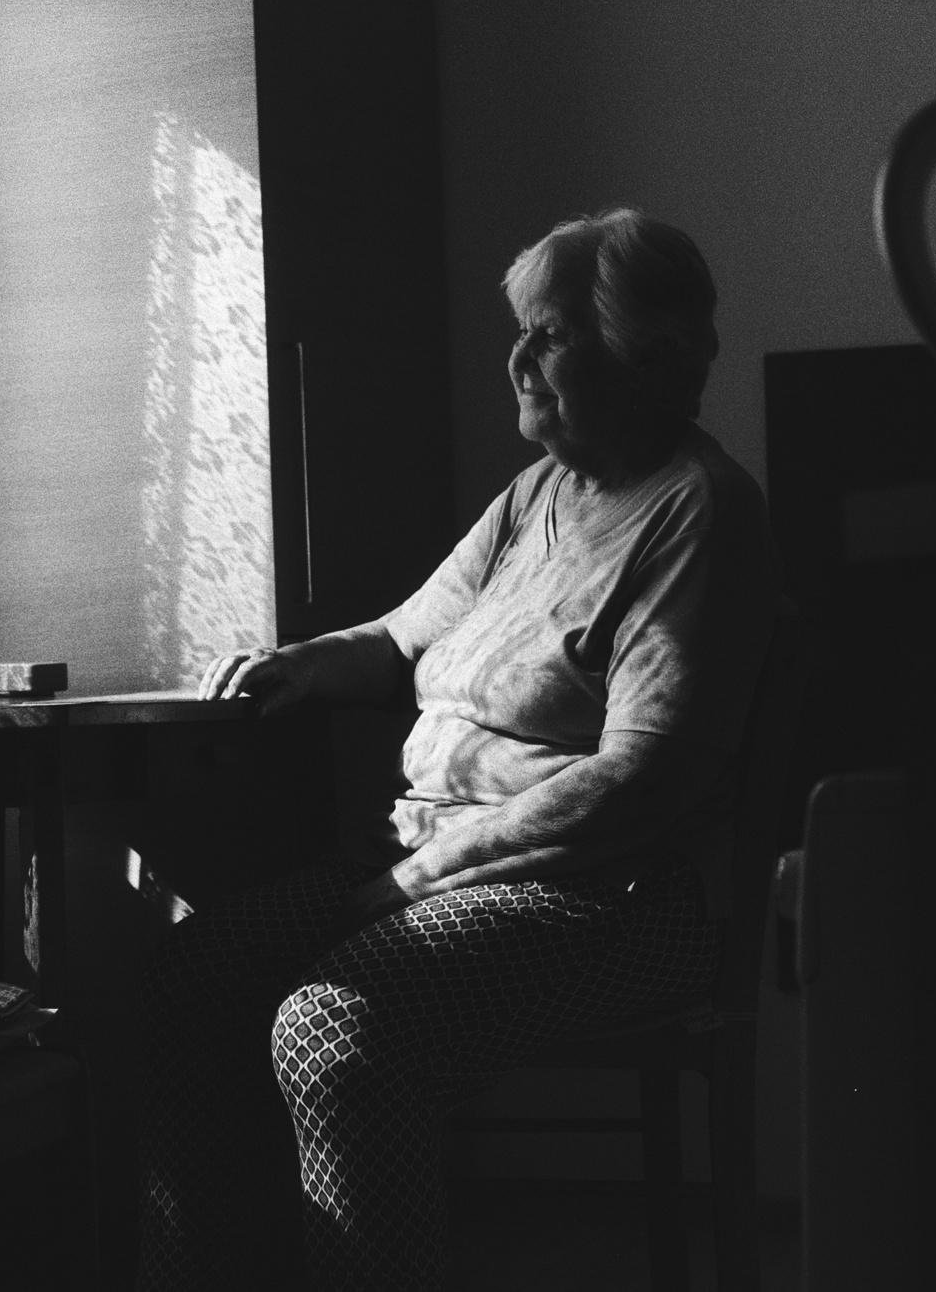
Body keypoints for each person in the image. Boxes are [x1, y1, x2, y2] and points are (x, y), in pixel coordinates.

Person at [134, 208, 779, 1291]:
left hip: (611, 894)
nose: (517, 355)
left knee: (331, 1028)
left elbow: (638, 776)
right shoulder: (536, 495)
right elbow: (395, 637)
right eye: (520, 329)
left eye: (551, 332)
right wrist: (292, 662)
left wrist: (410, 880)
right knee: (186, 975)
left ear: (643, 349)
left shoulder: (696, 512)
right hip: (426, 866)